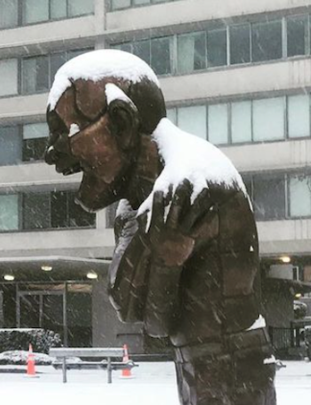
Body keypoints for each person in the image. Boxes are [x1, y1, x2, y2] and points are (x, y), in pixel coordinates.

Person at [44, 49, 275, 405]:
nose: (52, 151)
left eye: (67, 132)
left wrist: (165, 263)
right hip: (198, 370)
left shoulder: (195, 182)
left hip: (236, 375)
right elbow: (144, 316)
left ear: (120, 122)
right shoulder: (136, 204)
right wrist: (166, 262)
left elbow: (148, 313)